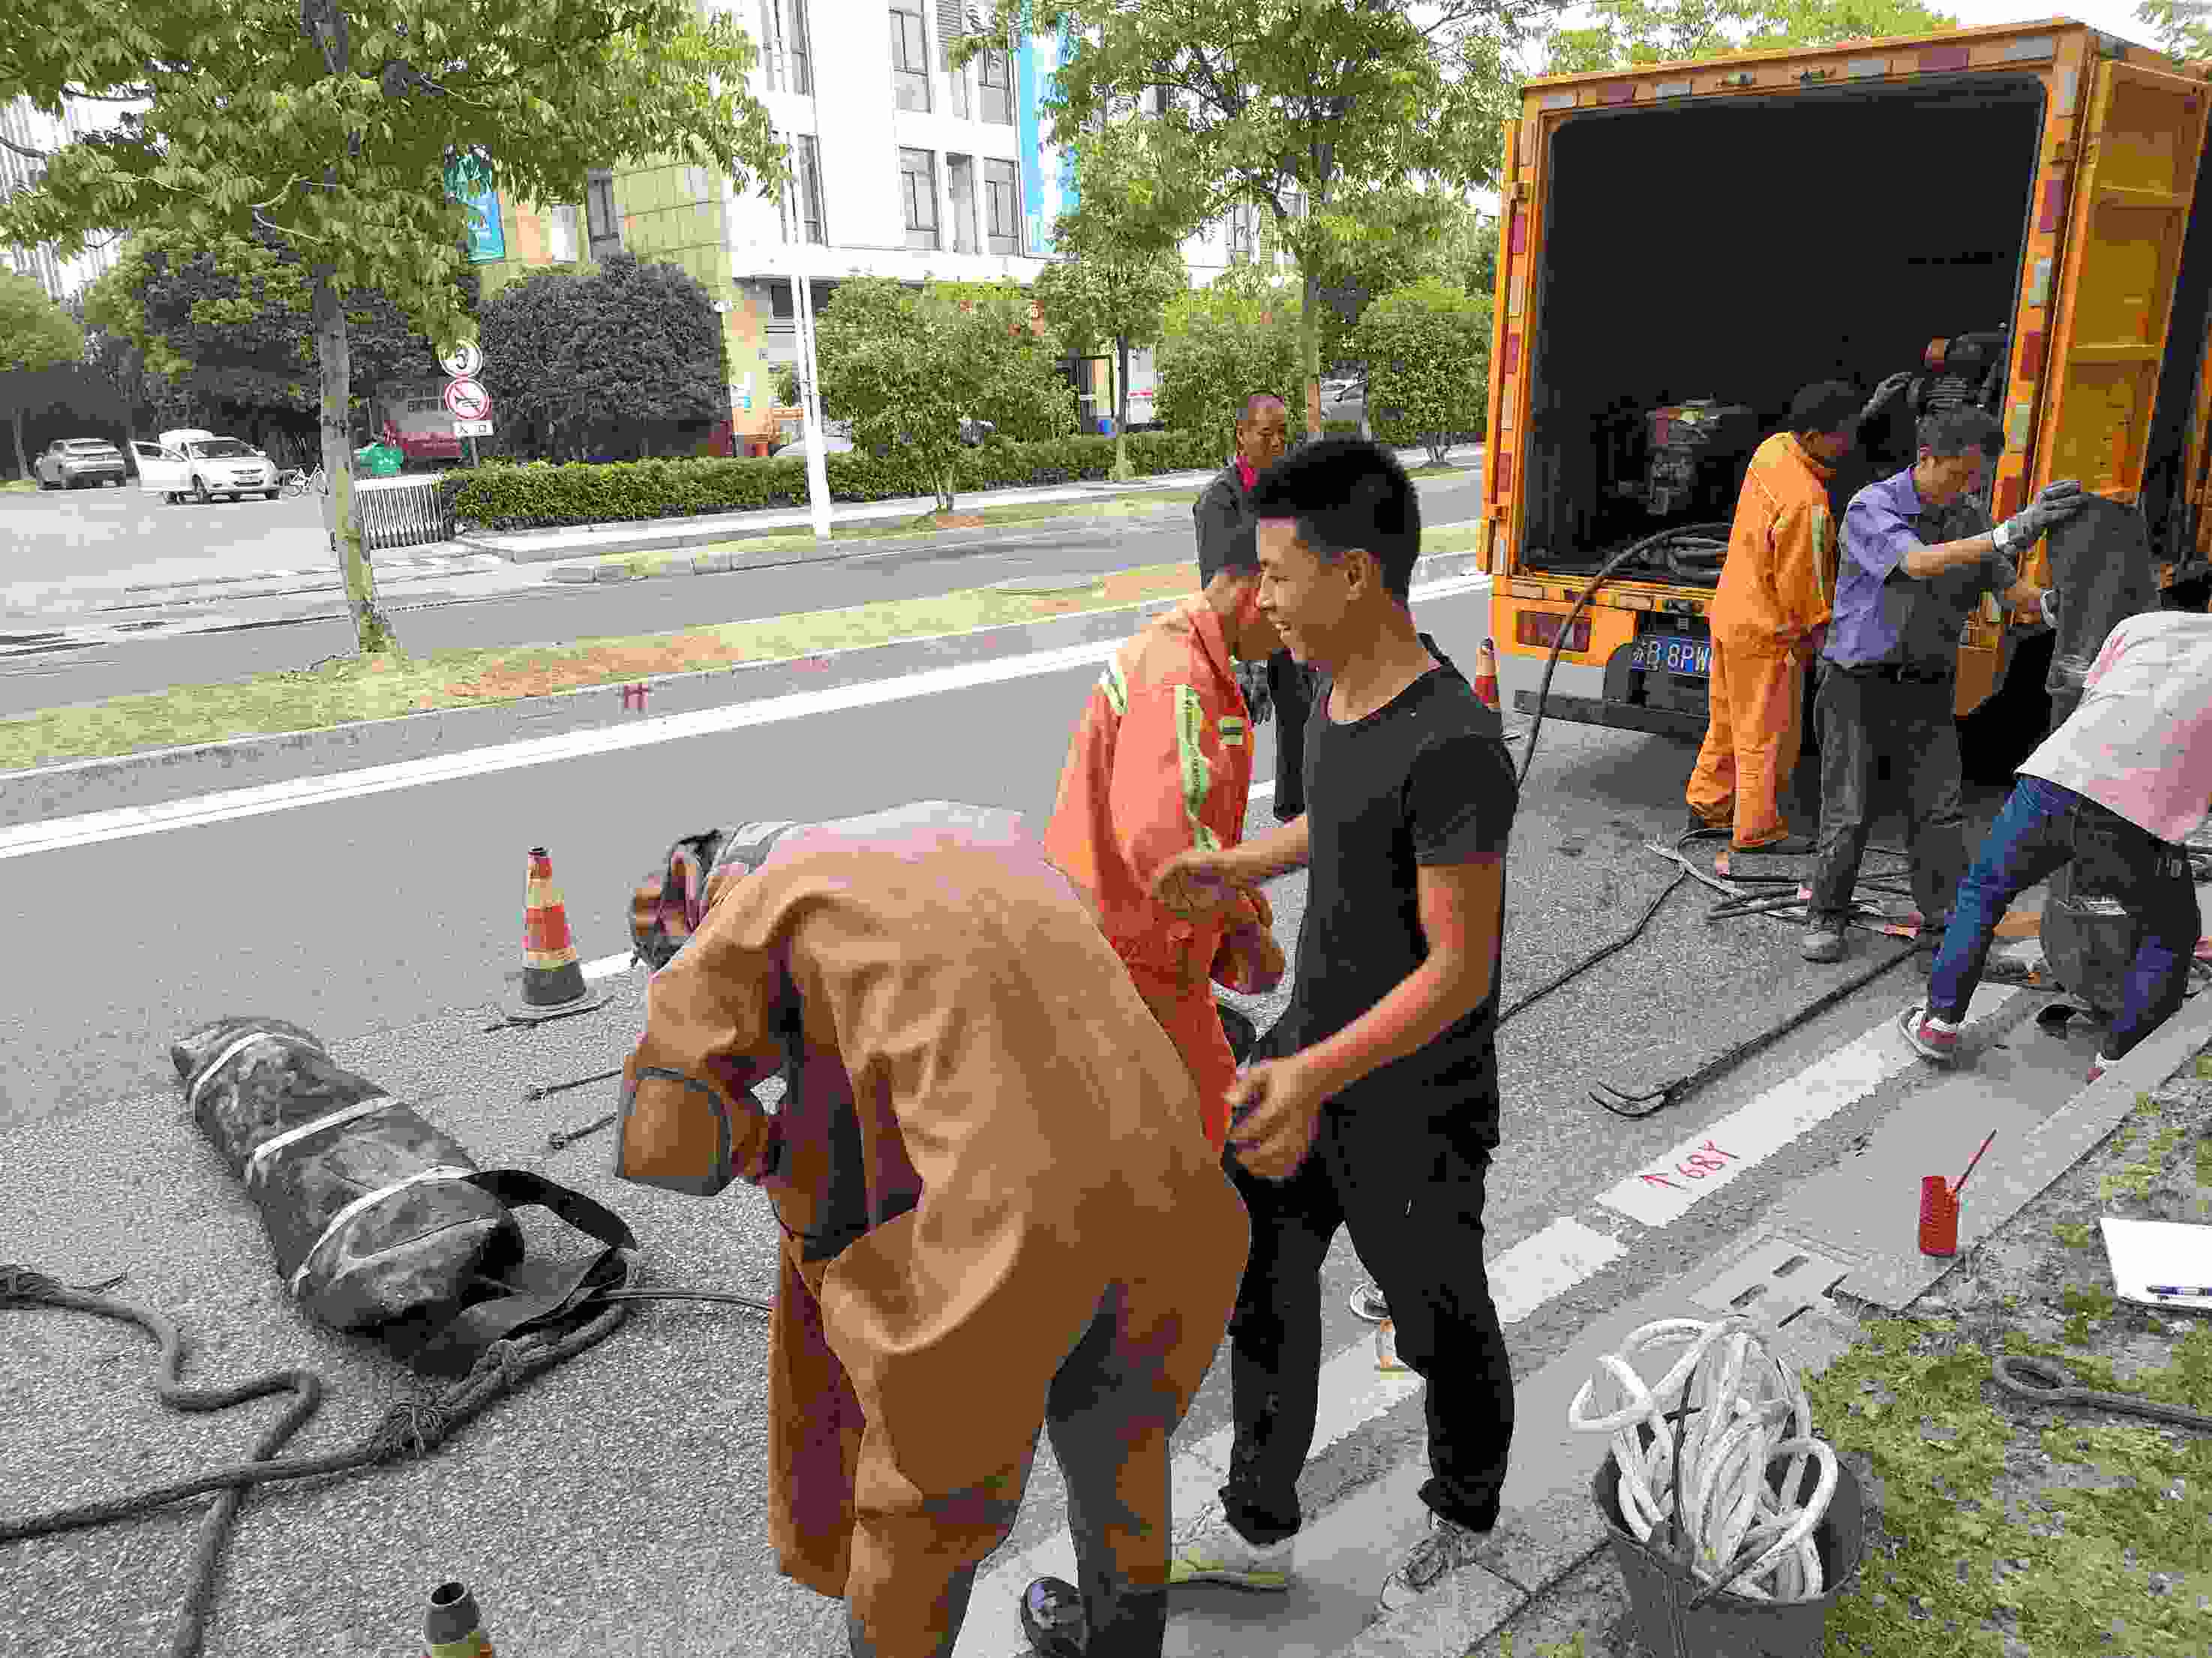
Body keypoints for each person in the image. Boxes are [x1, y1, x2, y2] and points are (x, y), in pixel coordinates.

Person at [609, 802, 1249, 1658]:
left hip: (1015, 1240)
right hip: (1179, 1191)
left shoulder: (761, 905)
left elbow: (668, 1132)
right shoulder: (981, 831)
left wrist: (764, 1150)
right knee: (1124, 1451)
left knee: (921, 1522)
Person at [1148, 436, 1519, 1617]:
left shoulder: (1454, 740)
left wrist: (1312, 1071)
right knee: (1261, 1278)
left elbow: (1458, 970)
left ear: (1354, 575)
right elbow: (1341, 831)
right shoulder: (1325, 689)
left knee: (1436, 1316)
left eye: (1276, 574)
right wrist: (1237, 861)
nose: (1261, 601)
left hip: (1413, 1096)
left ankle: (1465, 1507)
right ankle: (1258, 1519)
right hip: (1305, 1058)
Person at [1043, 511, 1290, 1154]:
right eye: (1286, 592)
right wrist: (1242, 923)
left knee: (1133, 1133)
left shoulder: (1191, 657)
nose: (1291, 624)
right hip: (1130, 951)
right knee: (1211, 1118)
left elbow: (1193, 818)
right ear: (1252, 586)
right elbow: (1166, 848)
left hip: (1122, 935)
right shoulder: (1180, 678)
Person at [1800, 407, 2083, 964]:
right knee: (1850, 809)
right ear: (1926, 458)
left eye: (1976, 477)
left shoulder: (1967, 512)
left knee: (1937, 811)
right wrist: (2006, 531)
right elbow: (1918, 563)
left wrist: (2059, 604)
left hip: (1927, 685)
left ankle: (1942, 923)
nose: (1968, 487)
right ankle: (1826, 912)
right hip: (1858, 683)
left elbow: (2008, 592)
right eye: (1961, 473)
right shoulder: (1871, 507)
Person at [1900, 608, 2212, 1081]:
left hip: (2055, 779)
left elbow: (2093, 699)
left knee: (1983, 893)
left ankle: (1939, 1023)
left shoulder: (2145, 624)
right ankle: (2117, 1064)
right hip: (2136, 815)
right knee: (2170, 934)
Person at [1685, 378, 1905, 853]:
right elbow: (1803, 584)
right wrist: (1827, 637)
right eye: (1843, 433)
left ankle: (1708, 804)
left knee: (1727, 722)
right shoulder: (1807, 504)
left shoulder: (1773, 450)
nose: (1850, 443)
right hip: (1768, 631)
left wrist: (1867, 410)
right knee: (1765, 736)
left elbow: (1820, 435)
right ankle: (1757, 831)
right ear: (1814, 436)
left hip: (1730, 613)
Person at [1195, 392, 1312, 821]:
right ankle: (1220, 828)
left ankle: (1295, 811)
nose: (1278, 444)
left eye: (1283, 434)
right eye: (1267, 434)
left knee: (1302, 711)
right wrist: (1246, 660)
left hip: (1289, 622)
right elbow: (1219, 583)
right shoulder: (1219, 500)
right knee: (1232, 733)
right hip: (1243, 633)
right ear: (1241, 436)